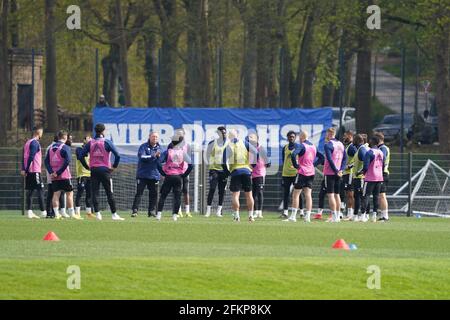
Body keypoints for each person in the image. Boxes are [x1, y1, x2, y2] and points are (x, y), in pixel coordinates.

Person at [80, 123, 124, 221]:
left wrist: (87, 167)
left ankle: (98, 214)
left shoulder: (90, 143)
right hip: (105, 170)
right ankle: (114, 214)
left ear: (95, 131)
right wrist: (114, 166)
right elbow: (117, 155)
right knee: (109, 192)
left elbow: (81, 155)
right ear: (103, 131)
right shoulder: (107, 142)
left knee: (95, 192)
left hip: (94, 170)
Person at [156, 132, 193, 221]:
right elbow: (191, 165)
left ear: (172, 143)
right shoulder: (183, 152)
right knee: (177, 197)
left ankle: (159, 215)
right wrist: (184, 175)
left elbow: (158, 163)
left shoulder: (168, 152)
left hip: (169, 176)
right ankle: (175, 216)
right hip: (178, 177)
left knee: (163, 196)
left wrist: (162, 173)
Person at [222, 129, 257, 222]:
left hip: (235, 172)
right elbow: (256, 152)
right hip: (246, 171)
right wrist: (253, 165)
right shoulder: (244, 143)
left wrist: (227, 172)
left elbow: (223, 162)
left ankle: (237, 216)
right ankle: (251, 216)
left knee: (235, 195)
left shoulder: (228, 146)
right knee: (249, 195)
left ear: (229, 137)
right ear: (238, 135)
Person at [45, 130, 80, 220]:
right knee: (69, 193)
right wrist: (59, 172)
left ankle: (56, 214)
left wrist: (51, 172)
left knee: (56, 194)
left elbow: (46, 161)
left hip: (54, 176)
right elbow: (67, 161)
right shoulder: (65, 147)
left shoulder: (50, 147)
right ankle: (72, 214)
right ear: (65, 137)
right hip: (64, 175)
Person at [287, 130, 319, 223]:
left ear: (301, 137)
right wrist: (313, 165)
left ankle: (293, 216)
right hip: (311, 173)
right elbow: (322, 158)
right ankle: (307, 217)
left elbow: (293, 154)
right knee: (308, 195)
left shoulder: (301, 145)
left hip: (302, 172)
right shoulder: (313, 146)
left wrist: (296, 166)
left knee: (295, 194)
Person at [131, 132, 162, 218]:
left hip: (154, 175)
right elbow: (142, 157)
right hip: (143, 175)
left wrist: (162, 171)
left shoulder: (159, 148)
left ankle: (151, 211)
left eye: (156, 137)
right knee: (139, 193)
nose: (155, 138)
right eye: (153, 136)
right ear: (149, 137)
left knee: (154, 194)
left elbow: (161, 161)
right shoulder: (143, 146)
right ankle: (135, 210)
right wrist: (153, 156)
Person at [21, 126, 47, 219]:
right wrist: (27, 169)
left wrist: (23, 169)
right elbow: (31, 157)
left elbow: (23, 157)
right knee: (40, 189)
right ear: (39, 132)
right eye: (42, 132)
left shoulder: (27, 142)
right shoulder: (35, 143)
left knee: (30, 191)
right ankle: (43, 211)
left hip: (29, 171)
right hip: (34, 170)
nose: (42, 134)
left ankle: (29, 212)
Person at [323, 127, 347, 222]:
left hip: (330, 172)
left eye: (326, 134)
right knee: (337, 195)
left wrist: (336, 170)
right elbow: (345, 159)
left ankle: (333, 216)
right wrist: (341, 169)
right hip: (339, 173)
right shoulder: (341, 144)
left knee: (331, 195)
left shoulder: (328, 145)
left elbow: (329, 159)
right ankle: (338, 216)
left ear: (329, 134)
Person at [359, 135, 385, 223]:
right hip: (379, 177)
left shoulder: (369, 152)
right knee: (376, 197)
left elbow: (366, 166)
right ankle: (374, 216)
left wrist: (361, 173)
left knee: (365, 196)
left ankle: (363, 215)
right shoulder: (381, 152)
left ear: (372, 142)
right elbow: (383, 165)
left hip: (370, 177)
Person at [205, 127, 229, 218]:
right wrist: (211, 164)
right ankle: (208, 211)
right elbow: (207, 155)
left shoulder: (229, 143)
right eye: (222, 132)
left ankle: (219, 211)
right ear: (218, 133)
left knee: (222, 191)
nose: (223, 134)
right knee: (212, 189)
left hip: (224, 171)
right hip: (214, 169)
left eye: (225, 132)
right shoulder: (212, 143)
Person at [248, 131, 270, 219]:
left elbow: (268, 162)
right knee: (253, 193)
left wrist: (263, 165)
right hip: (250, 173)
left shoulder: (261, 148)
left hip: (260, 174)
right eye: (249, 137)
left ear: (257, 139)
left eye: (252, 137)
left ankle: (259, 212)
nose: (250, 139)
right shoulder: (248, 149)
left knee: (259, 192)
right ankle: (255, 211)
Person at [281, 131, 300, 218]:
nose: (291, 138)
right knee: (286, 193)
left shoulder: (299, 147)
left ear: (295, 137)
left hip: (296, 173)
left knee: (298, 193)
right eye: (290, 137)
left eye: (293, 136)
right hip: (286, 174)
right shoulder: (285, 147)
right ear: (287, 138)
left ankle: (302, 211)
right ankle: (285, 212)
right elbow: (283, 160)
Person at [351, 134, 369, 222]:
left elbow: (367, 163)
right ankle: (355, 215)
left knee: (362, 196)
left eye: (354, 139)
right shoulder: (359, 150)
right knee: (356, 196)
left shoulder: (362, 150)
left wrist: (360, 172)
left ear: (357, 141)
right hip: (356, 177)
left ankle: (363, 215)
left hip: (360, 178)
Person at [175, 128, 192, 218]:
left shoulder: (187, 146)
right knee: (177, 191)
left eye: (181, 134)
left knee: (185, 190)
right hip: (175, 171)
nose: (179, 135)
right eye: (178, 134)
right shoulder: (173, 144)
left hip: (184, 171)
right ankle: (178, 211)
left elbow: (188, 159)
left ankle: (187, 211)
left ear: (184, 135)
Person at [75, 135, 93, 219]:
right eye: (88, 139)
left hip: (90, 175)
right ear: (84, 140)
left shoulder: (91, 150)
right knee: (80, 193)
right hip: (82, 175)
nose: (90, 140)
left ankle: (89, 213)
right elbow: (80, 157)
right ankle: (77, 213)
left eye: (91, 139)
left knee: (89, 194)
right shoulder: (79, 149)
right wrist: (87, 167)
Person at [342, 131, 358, 220]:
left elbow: (357, 158)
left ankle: (351, 214)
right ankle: (349, 213)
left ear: (350, 136)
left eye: (345, 136)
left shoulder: (352, 147)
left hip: (350, 173)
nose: (344, 138)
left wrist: (350, 166)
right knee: (348, 194)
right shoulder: (347, 146)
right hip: (346, 173)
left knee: (350, 194)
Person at [375, 132, 390, 221]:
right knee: (380, 195)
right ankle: (382, 215)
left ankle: (385, 215)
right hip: (381, 173)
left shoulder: (383, 148)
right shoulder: (381, 148)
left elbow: (382, 160)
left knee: (382, 195)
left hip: (382, 173)